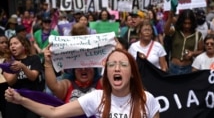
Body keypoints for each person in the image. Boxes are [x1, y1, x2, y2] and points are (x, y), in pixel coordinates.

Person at [5, 49, 160, 118]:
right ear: (107, 72)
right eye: (111, 65)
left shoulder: (147, 99)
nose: (117, 68)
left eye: (123, 65)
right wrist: (21, 100)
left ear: (132, 73)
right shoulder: (97, 98)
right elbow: (53, 112)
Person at [3, 35, 44, 118]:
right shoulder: (7, 62)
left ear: (23, 45)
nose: (12, 46)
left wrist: (23, 66)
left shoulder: (34, 58)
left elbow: (33, 77)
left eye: (15, 43)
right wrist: (16, 71)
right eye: (10, 44)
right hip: (14, 101)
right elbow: (10, 82)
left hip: (32, 100)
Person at [164, 9, 203, 75]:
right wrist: (170, 19)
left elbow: (201, 50)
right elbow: (166, 31)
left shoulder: (198, 35)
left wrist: (192, 53)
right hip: (173, 67)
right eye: (185, 23)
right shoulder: (175, 31)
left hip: (188, 69)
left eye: (189, 23)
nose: (187, 26)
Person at [0, 34, 8, 118]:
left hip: (6, 92)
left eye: (6, 42)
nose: (5, 45)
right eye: (2, 42)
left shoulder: (12, 58)